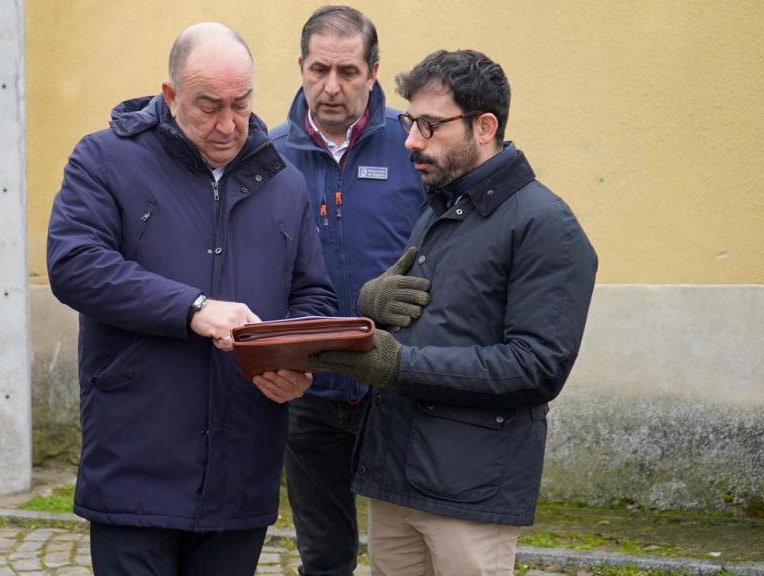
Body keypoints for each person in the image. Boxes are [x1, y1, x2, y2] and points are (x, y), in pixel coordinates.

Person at [46, 22, 337, 576]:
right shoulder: (104, 159)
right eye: (209, 106)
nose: (229, 124)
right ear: (171, 95)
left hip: (243, 466)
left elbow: (312, 294)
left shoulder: (285, 182)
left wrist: (297, 363)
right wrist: (193, 309)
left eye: (241, 103)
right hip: (136, 463)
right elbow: (75, 265)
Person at [310, 49, 598, 576]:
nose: (411, 141)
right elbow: (439, 324)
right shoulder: (439, 209)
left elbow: (536, 366)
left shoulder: (546, 226)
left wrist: (399, 365)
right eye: (409, 122)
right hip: (395, 480)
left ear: (484, 127)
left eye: (430, 125)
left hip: (469, 494)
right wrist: (370, 307)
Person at [269, 6, 427, 575]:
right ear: (301, 67)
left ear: (374, 71)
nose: (331, 86)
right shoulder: (268, 153)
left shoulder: (413, 145)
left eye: (348, 71)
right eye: (319, 70)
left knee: (409, 548)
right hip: (308, 388)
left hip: (396, 381)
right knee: (325, 554)